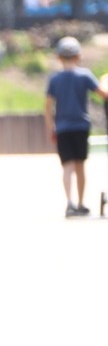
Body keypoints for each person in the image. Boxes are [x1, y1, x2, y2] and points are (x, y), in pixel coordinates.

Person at [44, 37, 107, 217]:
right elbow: (103, 93)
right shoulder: (85, 75)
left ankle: (69, 203)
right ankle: (81, 203)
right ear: (79, 56)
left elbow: (48, 106)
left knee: (67, 166)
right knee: (80, 165)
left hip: (62, 127)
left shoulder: (55, 79)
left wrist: (51, 128)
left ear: (58, 57)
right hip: (81, 125)